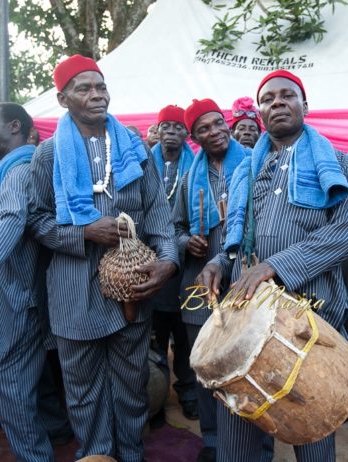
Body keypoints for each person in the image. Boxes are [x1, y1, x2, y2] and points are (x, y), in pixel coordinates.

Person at [196, 70, 348, 462]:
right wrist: (220, 261)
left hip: (309, 318)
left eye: (287, 96)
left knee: (313, 424)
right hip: (247, 312)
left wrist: (275, 265)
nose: (277, 103)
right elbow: (238, 236)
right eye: (268, 99)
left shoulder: (335, 163)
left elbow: (347, 233)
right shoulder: (246, 170)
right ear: (260, 111)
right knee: (236, 436)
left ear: (306, 105)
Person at [29, 54, 179, 461]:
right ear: (63, 99)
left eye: (101, 86)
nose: (96, 95)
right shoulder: (46, 155)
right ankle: (96, 456)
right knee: (83, 392)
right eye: (84, 89)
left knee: (131, 386)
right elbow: (37, 221)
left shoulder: (135, 145)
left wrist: (167, 261)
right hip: (73, 292)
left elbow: (158, 213)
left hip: (132, 286)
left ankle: (130, 455)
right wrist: (83, 232)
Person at [0, 102, 72, 460]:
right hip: (23, 290)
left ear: (16, 127)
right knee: (24, 382)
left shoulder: (18, 169)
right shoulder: (14, 165)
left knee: (6, 380)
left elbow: (8, 226)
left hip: (21, 295)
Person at [174, 98, 250, 462]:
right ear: (194, 137)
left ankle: (254, 445)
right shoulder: (190, 178)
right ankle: (214, 440)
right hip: (199, 285)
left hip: (245, 282)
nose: (216, 131)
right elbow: (171, 229)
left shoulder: (253, 163)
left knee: (247, 362)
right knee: (205, 365)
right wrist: (186, 241)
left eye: (219, 123)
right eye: (204, 128)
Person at [148, 104, 198, 421]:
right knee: (154, 335)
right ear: (158, 130)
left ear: (185, 133)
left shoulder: (196, 168)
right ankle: (155, 396)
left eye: (178, 127)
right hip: (151, 260)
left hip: (186, 261)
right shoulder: (143, 164)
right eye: (166, 126)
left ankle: (189, 393)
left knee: (185, 337)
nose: (171, 132)